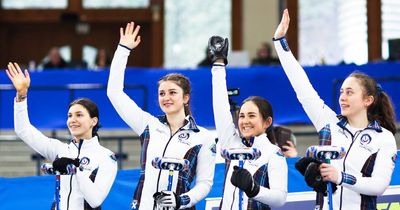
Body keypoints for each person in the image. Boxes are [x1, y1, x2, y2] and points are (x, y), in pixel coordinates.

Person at [273, 9, 397, 210]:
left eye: (349, 92)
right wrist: (280, 43)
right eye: (341, 92)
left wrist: (340, 177)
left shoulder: (384, 138)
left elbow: (379, 186)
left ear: (368, 100)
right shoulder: (328, 124)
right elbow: (302, 88)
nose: (342, 97)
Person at [107, 22, 216, 209]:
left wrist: (181, 200)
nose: (166, 98)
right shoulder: (147, 125)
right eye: (162, 93)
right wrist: (123, 50)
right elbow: (114, 93)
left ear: (186, 98)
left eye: (173, 92)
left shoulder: (204, 137)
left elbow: (205, 183)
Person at [5, 62, 117, 209]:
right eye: (70, 116)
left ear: (93, 121)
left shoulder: (106, 157)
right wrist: (21, 95)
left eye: (79, 115)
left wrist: (75, 169)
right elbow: (23, 130)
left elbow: (95, 200)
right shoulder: (59, 149)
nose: (73, 120)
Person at [209, 36, 287, 209]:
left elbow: (280, 198)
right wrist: (219, 63)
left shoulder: (273, 154)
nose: (244, 121)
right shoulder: (231, 143)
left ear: (267, 122)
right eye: (242, 116)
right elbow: (220, 106)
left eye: (252, 115)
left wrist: (254, 189)